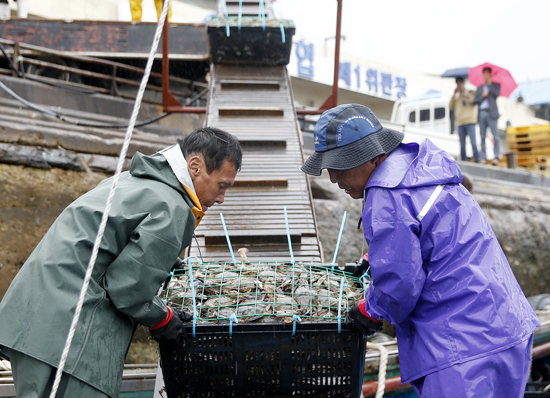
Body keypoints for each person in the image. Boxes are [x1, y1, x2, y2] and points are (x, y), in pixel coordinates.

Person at [301, 103, 539, 398]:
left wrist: (370, 310)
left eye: (339, 166)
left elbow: (400, 286)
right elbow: (438, 242)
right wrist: (374, 259)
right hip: (507, 326)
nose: (334, 179)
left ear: (372, 157)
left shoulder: (387, 192)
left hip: (461, 346)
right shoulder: (425, 170)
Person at [0, 127, 242, 398]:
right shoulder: (173, 205)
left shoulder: (130, 179)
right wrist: (164, 318)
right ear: (195, 166)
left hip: (31, 321)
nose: (221, 198)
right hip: (72, 336)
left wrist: (162, 257)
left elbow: (110, 239)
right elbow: (129, 291)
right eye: (222, 185)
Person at [473, 67, 501, 165]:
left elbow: (497, 94)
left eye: (486, 73)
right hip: (482, 113)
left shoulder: (495, 86)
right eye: (483, 74)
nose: (485, 75)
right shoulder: (480, 88)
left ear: (490, 74)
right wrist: (483, 96)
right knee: (482, 137)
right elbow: (475, 101)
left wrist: (489, 87)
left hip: (492, 113)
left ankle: (496, 156)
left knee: (495, 136)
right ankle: (483, 157)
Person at [449, 77, 479, 163]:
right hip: (460, 123)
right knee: (462, 144)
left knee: (473, 142)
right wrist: (454, 95)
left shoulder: (471, 92)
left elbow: (474, 102)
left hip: (470, 121)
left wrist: (466, 93)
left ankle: (476, 159)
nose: (459, 85)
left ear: (464, 83)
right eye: (458, 84)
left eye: (460, 83)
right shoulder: (457, 97)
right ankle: (464, 160)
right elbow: (450, 107)